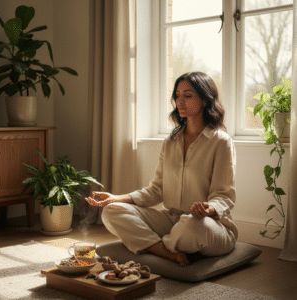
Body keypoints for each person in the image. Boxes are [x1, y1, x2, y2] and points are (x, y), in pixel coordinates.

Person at [85, 71, 237, 267]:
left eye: (188, 95)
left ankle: (151, 244)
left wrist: (208, 209)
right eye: (177, 95)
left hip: (208, 225)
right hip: (171, 221)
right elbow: (156, 191)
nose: (180, 101)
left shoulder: (221, 142)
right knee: (110, 211)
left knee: (190, 225)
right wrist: (116, 198)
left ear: (205, 100)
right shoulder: (171, 141)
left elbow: (225, 197)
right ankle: (167, 252)